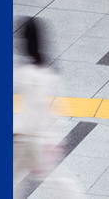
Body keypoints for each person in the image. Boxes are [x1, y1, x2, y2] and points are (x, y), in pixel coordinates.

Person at [12, 18, 80, 199]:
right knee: (58, 180)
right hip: (41, 139)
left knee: (52, 180)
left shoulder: (25, 72)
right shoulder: (49, 72)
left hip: (30, 139)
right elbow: (60, 108)